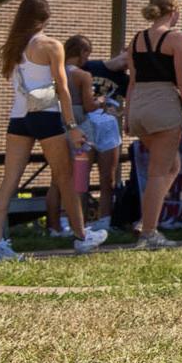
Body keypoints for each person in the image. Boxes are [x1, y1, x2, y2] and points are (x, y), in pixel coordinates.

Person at [0, 0, 87, 259]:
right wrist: (71, 125)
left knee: (9, 182)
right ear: (46, 17)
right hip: (46, 115)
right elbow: (62, 88)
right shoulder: (50, 45)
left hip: (19, 117)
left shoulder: (13, 46)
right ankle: (82, 236)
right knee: (65, 177)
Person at [117, 0, 182, 251]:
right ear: (173, 11)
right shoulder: (176, 38)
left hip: (139, 104)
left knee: (171, 166)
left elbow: (131, 81)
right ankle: (149, 232)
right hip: (163, 104)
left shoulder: (136, 39)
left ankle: (147, 219)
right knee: (158, 172)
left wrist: (128, 115)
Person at [64, 38, 119, 236]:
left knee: (78, 179)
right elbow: (89, 106)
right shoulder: (83, 75)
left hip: (72, 128)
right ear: (81, 52)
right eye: (87, 53)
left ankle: (77, 223)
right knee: (104, 178)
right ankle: (101, 220)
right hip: (86, 128)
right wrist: (102, 100)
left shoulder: (57, 72)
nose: (87, 58)